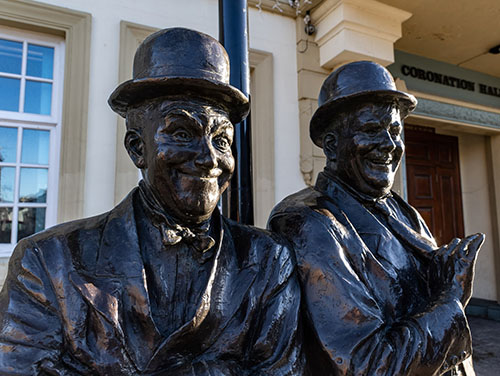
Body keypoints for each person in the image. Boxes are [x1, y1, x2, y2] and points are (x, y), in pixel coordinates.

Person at [0, 28, 304, 375]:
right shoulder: (47, 261)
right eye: (181, 133)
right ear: (136, 148)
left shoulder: (269, 260)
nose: (209, 158)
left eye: (221, 140)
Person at [268, 61, 483, 376]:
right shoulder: (308, 222)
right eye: (371, 130)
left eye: (395, 131)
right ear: (331, 145)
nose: (389, 144)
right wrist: (450, 299)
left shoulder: (400, 209)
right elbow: (368, 364)